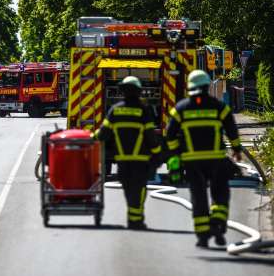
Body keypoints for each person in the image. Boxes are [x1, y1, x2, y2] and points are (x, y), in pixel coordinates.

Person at [166, 70, 242, 248]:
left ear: (190, 87)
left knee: (198, 196)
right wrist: (237, 150)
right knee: (220, 193)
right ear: (207, 85)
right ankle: (218, 223)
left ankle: (202, 236)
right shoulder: (219, 107)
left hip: (192, 162)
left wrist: (176, 154)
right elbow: (231, 129)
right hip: (216, 159)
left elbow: (169, 136)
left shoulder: (180, 109)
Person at [95, 76, 161, 229]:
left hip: (122, 160)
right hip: (141, 160)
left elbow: (103, 134)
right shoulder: (144, 110)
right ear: (139, 92)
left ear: (122, 91)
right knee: (139, 188)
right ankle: (135, 219)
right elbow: (151, 136)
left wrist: (91, 138)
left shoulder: (115, 110)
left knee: (129, 188)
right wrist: (157, 154)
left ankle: (134, 218)